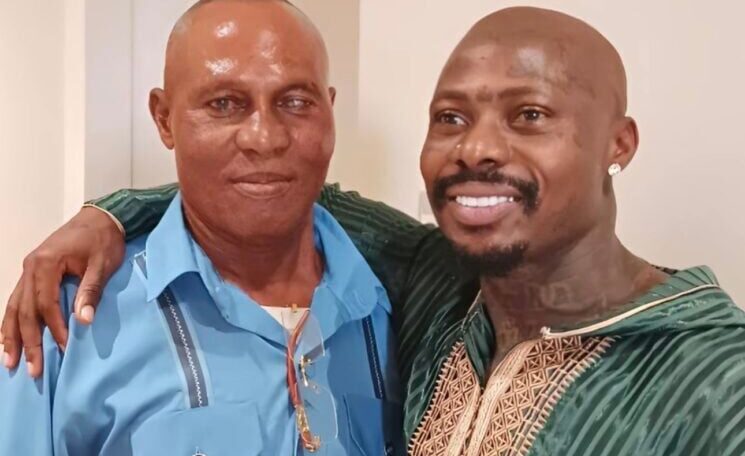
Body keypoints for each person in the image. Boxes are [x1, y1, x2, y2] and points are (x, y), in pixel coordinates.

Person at [5, 5, 745, 455]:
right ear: (164, 118)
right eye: (450, 118)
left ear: (619, 142)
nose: (477, 149)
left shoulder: (717, 381)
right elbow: (263, 193)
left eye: (529, 115)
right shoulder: (440, 295)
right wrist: (111, 213)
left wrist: (108, 209)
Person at [0, 1, 404, 454]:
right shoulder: (68, 318)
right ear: (164, 118)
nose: (265, 138)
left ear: (329, 109)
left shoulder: (392, 304)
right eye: (224, 104)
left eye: (295, 102)